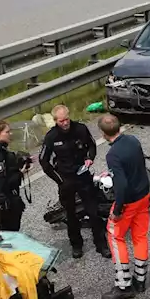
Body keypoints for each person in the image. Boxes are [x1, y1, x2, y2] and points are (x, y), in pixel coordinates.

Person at [38, 104, 107, 259]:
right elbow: (44, 161)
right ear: (56, 121)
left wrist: (90, 158)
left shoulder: (81, 129)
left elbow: (92, 145)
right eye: (61, 121)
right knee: (71, 215)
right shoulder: (51, 137)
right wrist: (60, 180)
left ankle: (101, 243)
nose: (65, 123)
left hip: (83, 175)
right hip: (66, 180)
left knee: (93, 211)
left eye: (67, 119)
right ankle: (76, 245)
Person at [98, 113, 150, 299]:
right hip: (144, 196)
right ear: (119, 127)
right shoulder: (133, 140)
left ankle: (123, 285)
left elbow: (121, 185)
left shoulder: (113, 154)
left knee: (114, 236)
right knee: (140, 236)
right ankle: (141, 279)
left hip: (128, 201)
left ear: (103, 134)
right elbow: (134, 166)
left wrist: (117, 210)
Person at [0, 118, 30, 232]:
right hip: (5, 199)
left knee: (10, 232)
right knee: (10, 234)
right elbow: (1, 182)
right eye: (7, 132)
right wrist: (20, 173)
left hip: (6, 197)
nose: (10, 134)